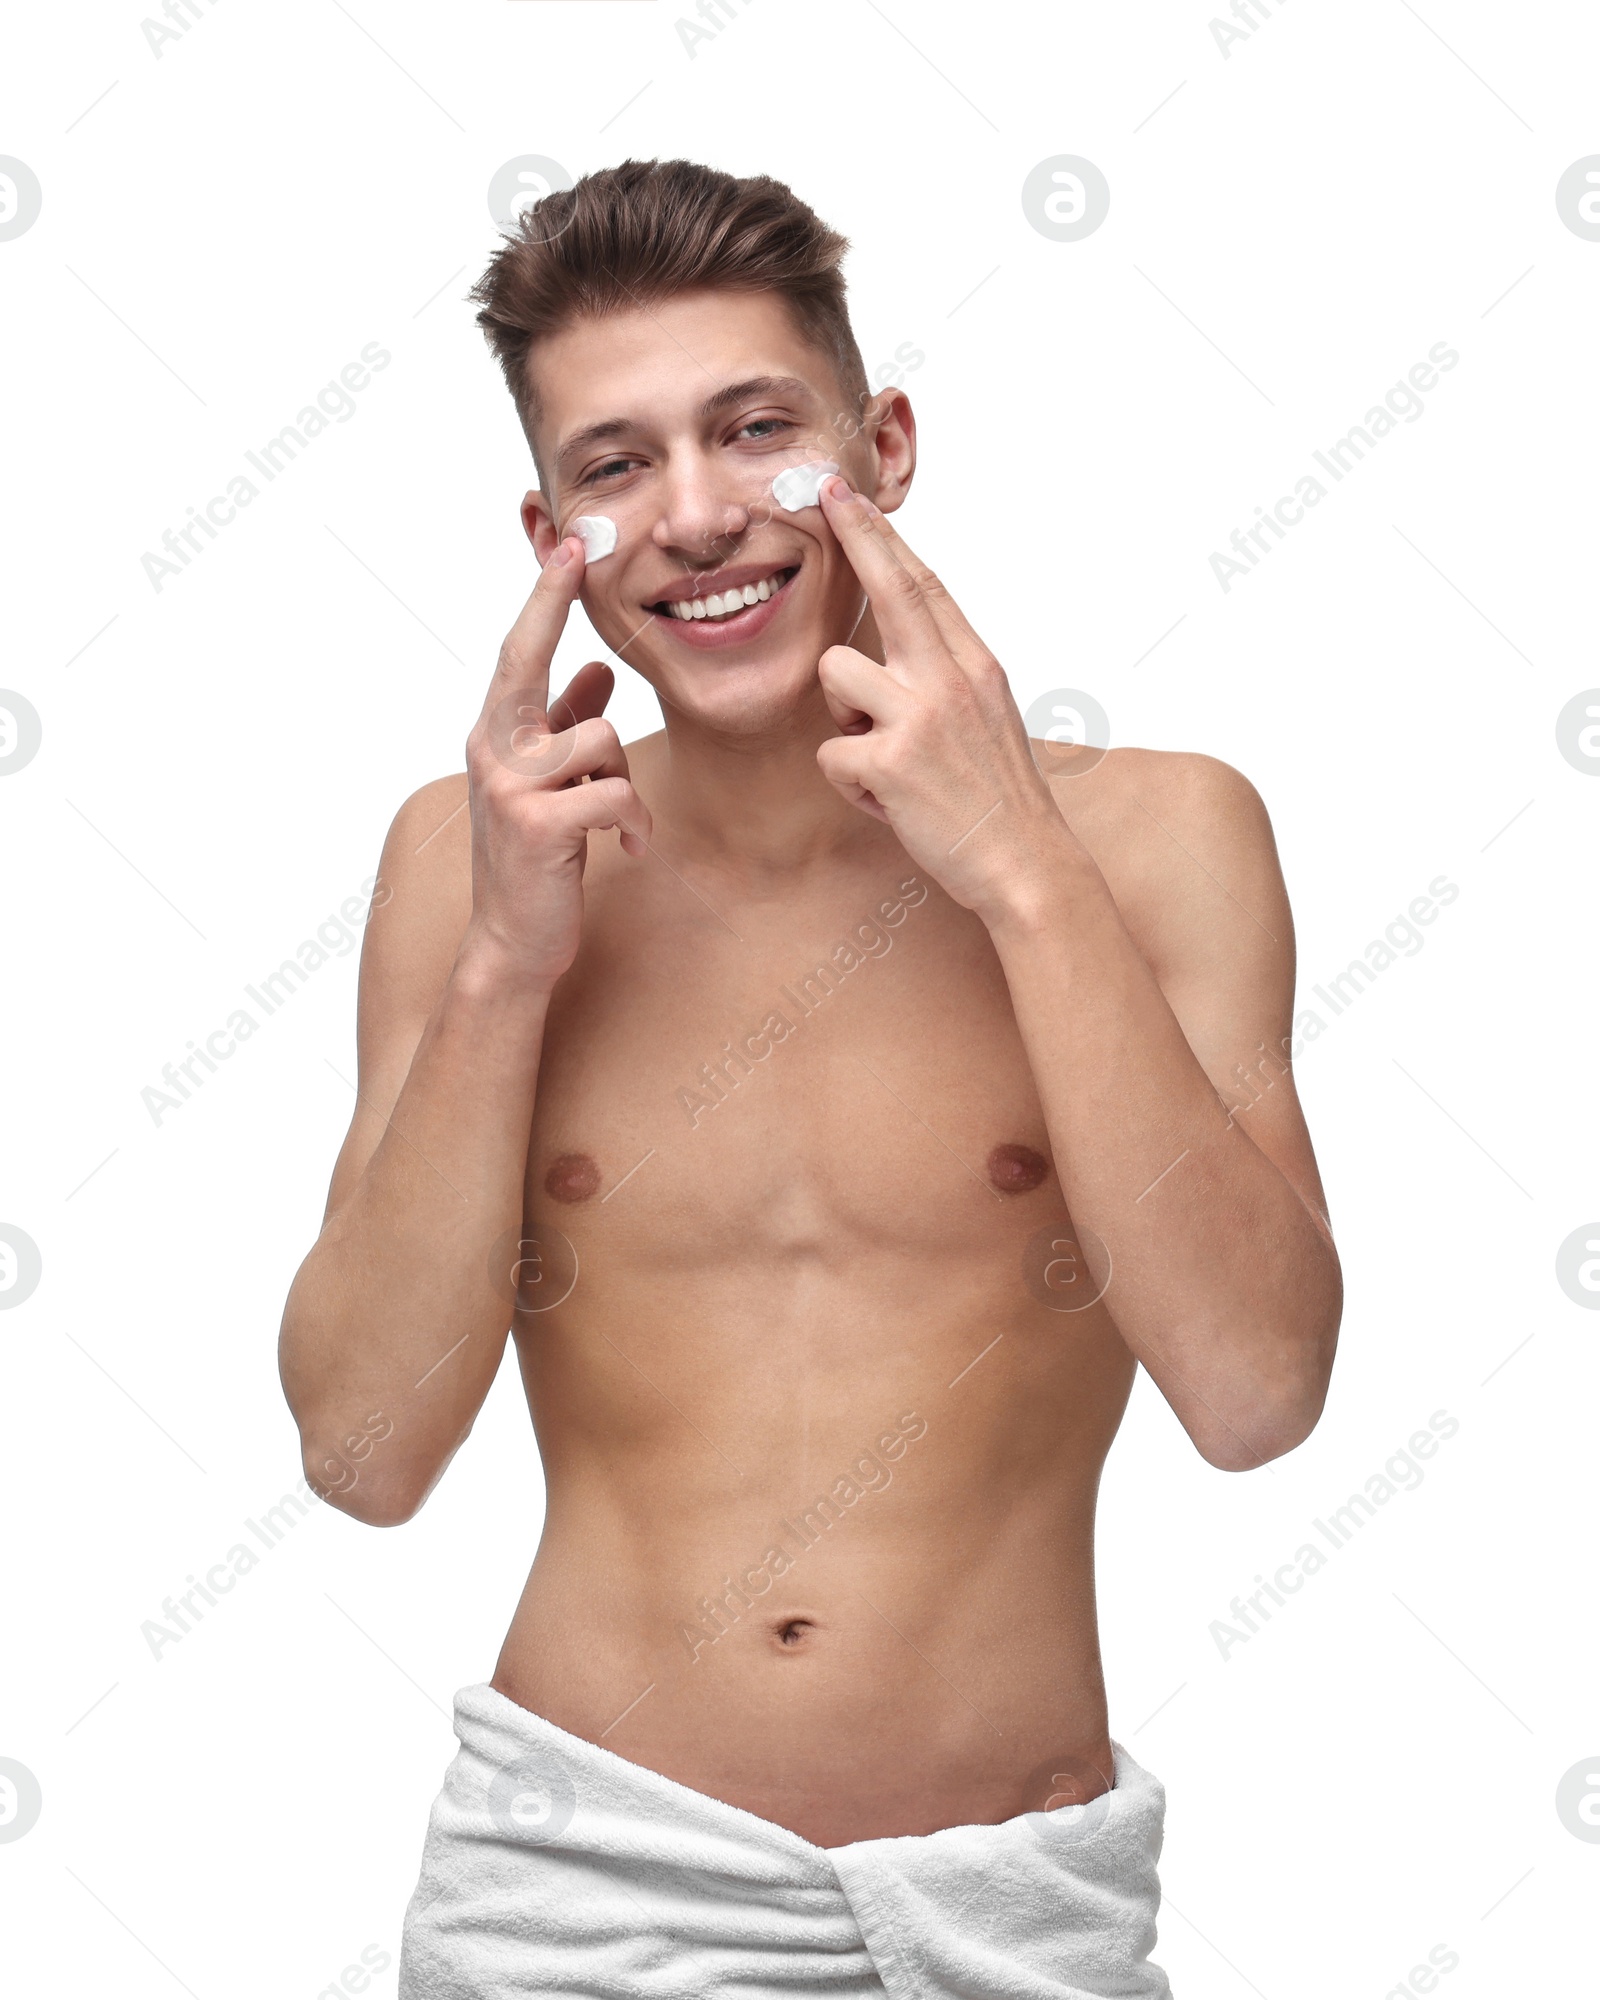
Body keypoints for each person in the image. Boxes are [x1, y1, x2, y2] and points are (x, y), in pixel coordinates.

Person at [277, 158, 1342, 1998]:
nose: (695, 517)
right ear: (552, 530)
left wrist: (1018, 865)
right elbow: (364, 1456)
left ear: (887, 445)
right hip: (574, 1897)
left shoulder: (1165, 836)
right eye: (614, 467)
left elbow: (1256, 1395)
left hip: (1014, 1906)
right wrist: (507, 964)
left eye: (755, 431)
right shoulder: (468, 867)